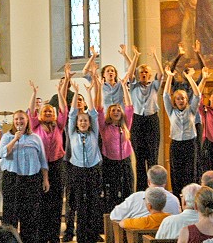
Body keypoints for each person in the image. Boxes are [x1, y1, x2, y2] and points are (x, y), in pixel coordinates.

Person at [0, 110, 49, 242]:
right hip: (12, 179)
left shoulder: (35, 138)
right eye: (16, 119)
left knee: (31, 214)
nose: (19, 121)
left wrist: (45, 179)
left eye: (22, 119)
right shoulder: (7, 137)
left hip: (31, 179)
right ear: (13, 121)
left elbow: (42, 160)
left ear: (27, 121)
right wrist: (15, 139)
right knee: (10, 213)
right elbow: (2, 153)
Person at [28, 76, 68, 243]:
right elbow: (31, 111)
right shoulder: (35, 126)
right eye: (45, 111)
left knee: (56, 201)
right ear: (40, 115)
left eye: (51, 111)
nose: (49, 113)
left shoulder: (59, 125)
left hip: (57, 166)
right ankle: (41, 235)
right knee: (41, 201)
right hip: (39, 167)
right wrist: (34, 93)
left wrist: (60, 92)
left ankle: (54, 235)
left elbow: (64, 109)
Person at [67, 78, 102, 243]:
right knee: (81, 203)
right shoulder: (72, 133)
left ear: (89, 124)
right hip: (78, 170)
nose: (82, 122)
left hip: (93, 169)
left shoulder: (93, 132)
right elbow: (72, 113)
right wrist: (75, 94)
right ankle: (81, 236)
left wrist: (88, 92)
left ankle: (93, 235)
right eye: (80, 120)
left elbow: (94, 113)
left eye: (85, 121)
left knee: (94, 202)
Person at [97, 76, 135, 213]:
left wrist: (124, 87)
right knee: (112, 192)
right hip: (110, 162)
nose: (116, 112)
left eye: (118, 110)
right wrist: (100, 89)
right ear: (109, 113)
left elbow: (130, 107)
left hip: (125, 160)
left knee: (128, 189)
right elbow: (99, 109)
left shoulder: (125, 125)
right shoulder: (104, 127)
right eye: (113, 110)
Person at [163, 64, 201, 198]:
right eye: (178, 98)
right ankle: (179, 199)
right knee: (176, 173)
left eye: (183, 98)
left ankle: (191, 198)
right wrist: (169, 77)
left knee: (191, 172)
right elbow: (165, 95)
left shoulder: (191, 110)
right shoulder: (171, 111)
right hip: (176, 145)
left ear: (186, 100)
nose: (180, 100)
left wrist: (189, 78)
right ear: (175, 100)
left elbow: (197, 95)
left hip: (190, 144)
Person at [130, 48, 165, 191]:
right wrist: (135, 57)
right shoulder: (133, 86)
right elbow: (130, 74)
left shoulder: (154, 86)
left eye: (146, 72)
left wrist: (156, 56)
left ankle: (154, 188)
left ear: (149, 75)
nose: (143, 74)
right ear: (138, 75)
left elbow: (161, 73)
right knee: (139, 159)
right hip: (137, 121)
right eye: (141, 73)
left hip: (151, 121)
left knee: (152, 157)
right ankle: (140, 190)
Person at [110, 165, 180, 221]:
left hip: (137, 237)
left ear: (148, 182)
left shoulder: (136, 197)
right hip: (165, 238)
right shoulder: (174, 200)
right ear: (165, 182)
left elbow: (114, 215)